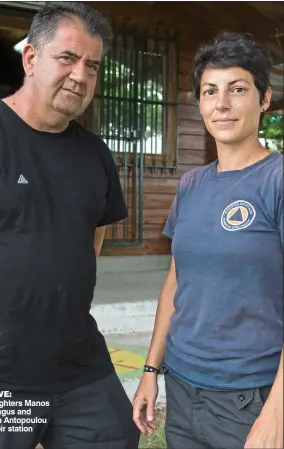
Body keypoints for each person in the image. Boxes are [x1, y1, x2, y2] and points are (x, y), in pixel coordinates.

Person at [0, 2, 139, 449]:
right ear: (30, 58)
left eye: (93, 65)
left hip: (79, 367)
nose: (81, 75)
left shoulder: (95, 154)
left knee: (118, 437)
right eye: (67, 57)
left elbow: (93, 234)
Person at [133, 31, 283, 449]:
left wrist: (277, 412)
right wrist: (150, 371)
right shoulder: (191, 184)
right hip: (183, 387)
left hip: (250, 395)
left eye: (238, 89)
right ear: (199, 103)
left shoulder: (277, 180)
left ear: (264, 99)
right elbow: (176, 282)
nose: (222, 103)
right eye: (210, 91)